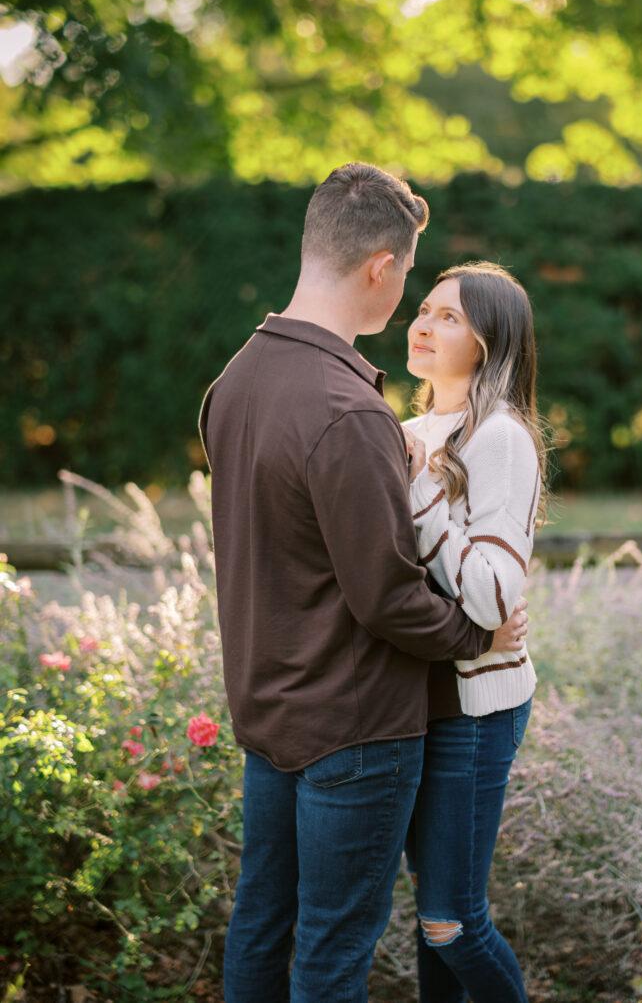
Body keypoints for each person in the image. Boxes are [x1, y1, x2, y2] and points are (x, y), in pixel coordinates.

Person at [197, 163, 529, 1003]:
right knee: (330, 958)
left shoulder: (234, 381)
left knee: (261, 926)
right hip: (351, 728)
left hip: (268, 711)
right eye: (412, 281)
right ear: (382, 266)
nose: (411, 304)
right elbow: (386, 596)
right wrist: (476, 635)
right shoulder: (347, 410)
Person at [401, 261, 545, 1003]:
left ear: (489, 344)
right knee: (431, 921)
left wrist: (421, 489)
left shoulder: (500, 438)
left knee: (452, 920)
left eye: (449, 317)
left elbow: (492, 595)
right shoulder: (401, 433)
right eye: (423, 309)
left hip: (475, 710)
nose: (423, 324)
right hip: (406, 702)